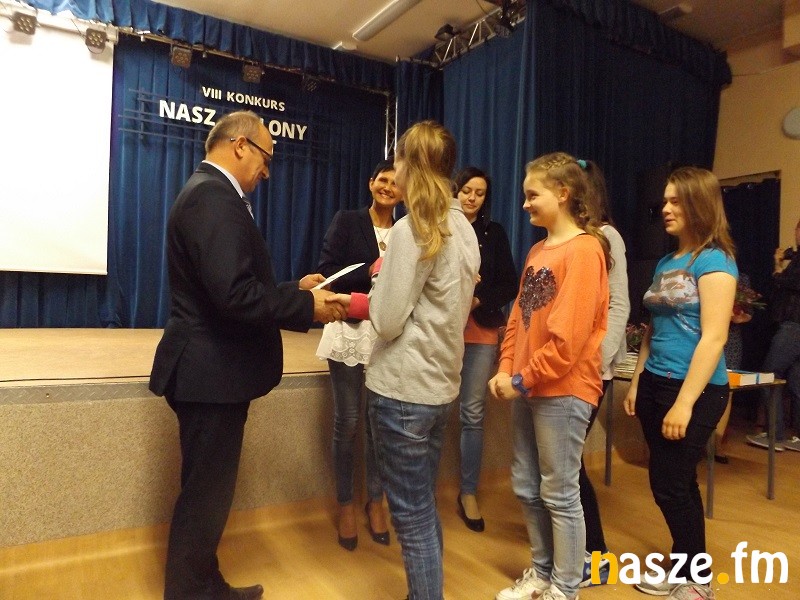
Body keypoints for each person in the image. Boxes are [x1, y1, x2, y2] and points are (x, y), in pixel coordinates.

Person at [149, 110, 345, 600]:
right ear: (240, 145)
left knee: (207, 495)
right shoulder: (213, 197)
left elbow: (229, 286)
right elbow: (234, 296)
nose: (267, 172)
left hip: (211, 373)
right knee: (204, 497)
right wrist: (307, 307)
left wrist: (293, 290)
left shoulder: (209, 192)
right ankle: (190, 593)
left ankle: (204, 584)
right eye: (266, 158)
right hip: (209, 374)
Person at [330, 120, 480, 600]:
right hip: (438, 389)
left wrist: (371, 295)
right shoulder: (463, 227)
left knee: (411, 520)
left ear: (410, 165)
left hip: (403, 392)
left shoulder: (412, 227)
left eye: (397, 160)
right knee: (421, 510)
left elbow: (388, 320)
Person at [490, 152, 610, 600]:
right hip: (529, 386)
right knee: (526, 485)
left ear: (563, 193)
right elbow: (518, 320)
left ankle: (565, 587)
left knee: (560, 493)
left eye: (531, 194)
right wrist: (507, 368)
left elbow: (568, 341)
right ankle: (542, 574)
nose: (524, 204)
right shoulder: (538, 251)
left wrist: (522, 379)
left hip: (562, 391)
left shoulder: (585, 250)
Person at [623, 166, 737, 600]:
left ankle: (698, 581)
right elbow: (652, 328)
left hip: (695, 389)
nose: (666, 209)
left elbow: (714, 337)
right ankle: (686, 566)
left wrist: (685, 403)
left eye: (676, 201)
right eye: (664, 201)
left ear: (698, 205)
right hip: (655, 382)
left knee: (669, 484)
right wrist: (637, 381)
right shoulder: (667, 262)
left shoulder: (715, 260)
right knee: (677, 480)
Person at [316, 158, 402, 550]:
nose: (388, 187)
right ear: (371, 183)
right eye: (383, 179)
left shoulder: (406, 231)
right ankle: (346, 504)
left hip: (387, 335)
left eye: (395, 183)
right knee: (348, 421)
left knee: (379, 423)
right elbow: (327, 272)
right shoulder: (347, 221)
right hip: (349, 329)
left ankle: (376, 500)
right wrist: (371, 270)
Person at [453, 167, 518, 533]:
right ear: (455, 191)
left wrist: (478, 299)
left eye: (479, 193)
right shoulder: (443, 228)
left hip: (481, 329)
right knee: (432, 409)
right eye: (467, 190)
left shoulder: (495, 233)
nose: (472, 198)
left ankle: (468, 492)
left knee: (472, 412)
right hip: (442, 331)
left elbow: (509, 283)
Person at [577, 160, 630, 587]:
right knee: (562, 464)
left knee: (566, 464)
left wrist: (597, 359)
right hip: (566, 370)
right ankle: (574, 549)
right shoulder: (569, 239)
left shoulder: (608, 237)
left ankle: (596, 557)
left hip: (592, 370)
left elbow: (619, 304)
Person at [746, 219, 800, 452]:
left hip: (794, 326)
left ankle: (775, 436)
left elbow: (790, 283)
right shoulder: (795, 257)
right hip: (793, 325)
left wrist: (778, 269)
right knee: (797, 381)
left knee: (769, 376)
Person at [714, 274, 753, 463]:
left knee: (726, 390)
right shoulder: (701, 270)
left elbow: (748, 314)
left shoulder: (741, 278)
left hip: (731, 339)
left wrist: (736, 315)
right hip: (702, 333)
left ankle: (717, 444)